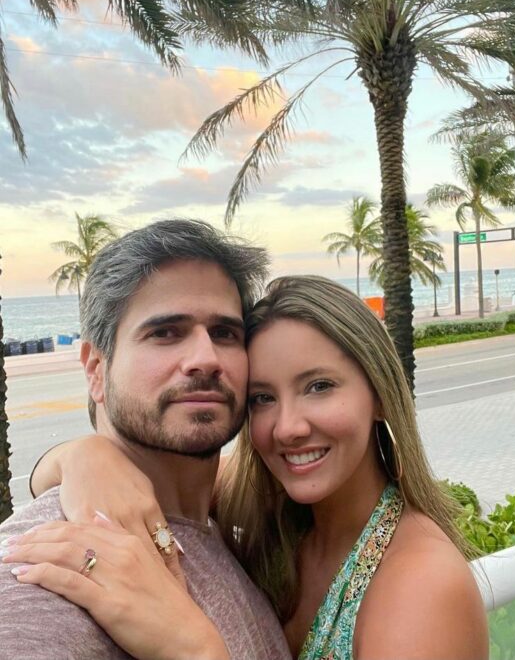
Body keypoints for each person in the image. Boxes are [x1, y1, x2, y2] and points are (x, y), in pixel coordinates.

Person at [4, 275, 489, 659]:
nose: (288, 428)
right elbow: (92, 478)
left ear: (380, 395)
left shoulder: (423, 583)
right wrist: (84, 456)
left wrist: (196, 649)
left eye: (319, 386)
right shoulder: (270, 501)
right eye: (262, 398)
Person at [0, 219, 291, 660]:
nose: (205, 359)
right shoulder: (47, 573)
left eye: (225, 333)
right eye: (165, 332)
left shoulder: (229, 514)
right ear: (96, 370)